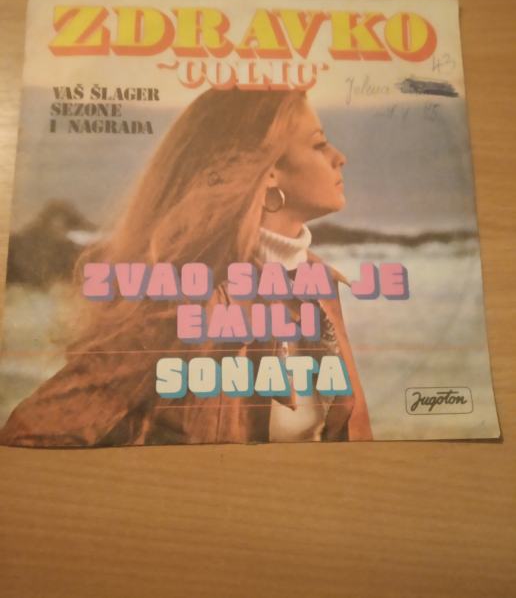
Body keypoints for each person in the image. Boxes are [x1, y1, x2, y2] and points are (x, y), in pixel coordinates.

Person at [0, 87, 372, 447]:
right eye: (319, 144)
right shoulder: (183, 298)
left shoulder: (318, 281)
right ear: (270, 170)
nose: (340, 157)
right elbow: (30, 433)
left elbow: (351, 434)